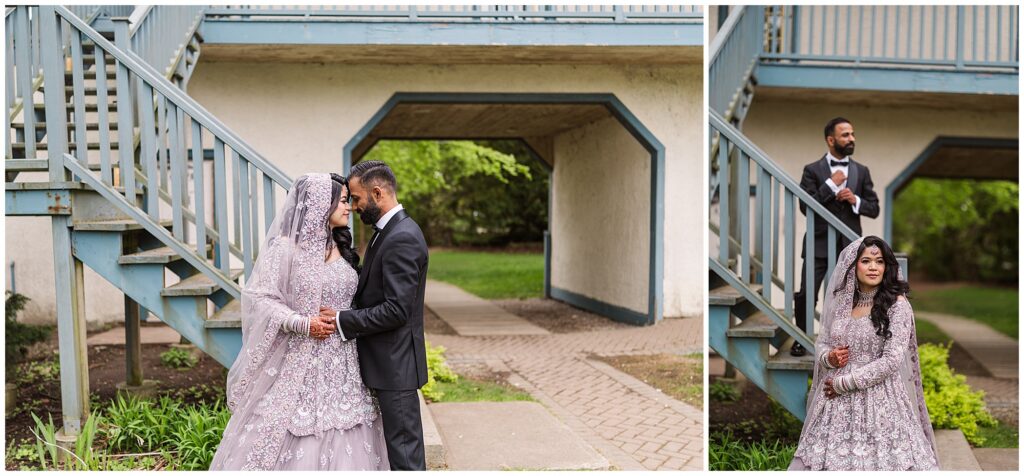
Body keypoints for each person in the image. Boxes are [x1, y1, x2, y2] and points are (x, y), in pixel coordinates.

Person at [211, 173, 389, 470]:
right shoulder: (284, 250)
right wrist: (302, 323)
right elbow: (259, 299)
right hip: (302, 362)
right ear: (322, 204)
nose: (349, 208)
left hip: (345, 363)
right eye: (344, 201)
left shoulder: (341, 247)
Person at [789, 236, 937, 471]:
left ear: (887, 267)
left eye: (879, 262)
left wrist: (844, 383)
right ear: (853, 266)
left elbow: (890, 361)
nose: (873, 267)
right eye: (866, 261)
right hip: (835, 403)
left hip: (880, 400)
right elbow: (824, 342)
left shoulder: (897, 306)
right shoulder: (844, 304)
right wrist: (830, 357)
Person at [319, 160, 429, 471]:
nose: (353, 206)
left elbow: (397, 310)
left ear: (377, 193)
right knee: (397, 449)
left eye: (356, 198)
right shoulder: (387, 231)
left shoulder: (402, 237)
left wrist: (342, 319)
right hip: (387, 364)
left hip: (396, 366)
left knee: (406, 457)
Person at [792, 117, 880, 357]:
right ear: (831, 140)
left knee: (847, 295)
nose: (851, 139)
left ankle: (842, 344)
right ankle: (800, 338)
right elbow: (804, 206)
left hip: (849, 247)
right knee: (806, 293)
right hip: (817, 244)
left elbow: (874, 208)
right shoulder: (812, 171)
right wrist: (831, 184)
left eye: (852, 134)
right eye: (845, 135)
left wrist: (856, 200)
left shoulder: (862, 171)